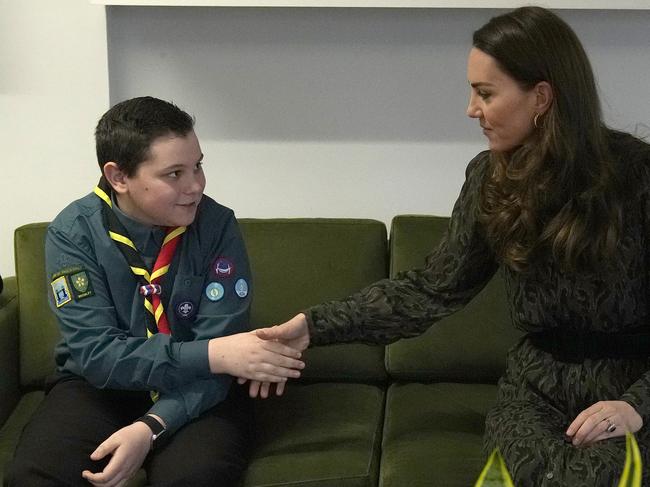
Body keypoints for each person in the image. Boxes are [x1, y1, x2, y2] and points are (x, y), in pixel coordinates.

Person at [252, 7, 650, 486]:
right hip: (535, 389)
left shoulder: (638, 175)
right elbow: (429, 291)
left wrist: (636, 406)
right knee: (532, 474)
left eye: (485, 93)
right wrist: (313, 327)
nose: (470, 109)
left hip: (631, 384)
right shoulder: (490, 179)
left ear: (541, 97)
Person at [8, 96, 305, 487]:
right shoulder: (73, 233)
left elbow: (227, 359)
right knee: (36, 474)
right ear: (119, 177)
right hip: (101, 387)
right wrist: (214, 353)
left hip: (199, 386)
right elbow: (97, 355)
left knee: (196, 475)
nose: (195, 186)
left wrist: (150, 427)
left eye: (198, 166)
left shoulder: (216, 226)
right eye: (174, 174)